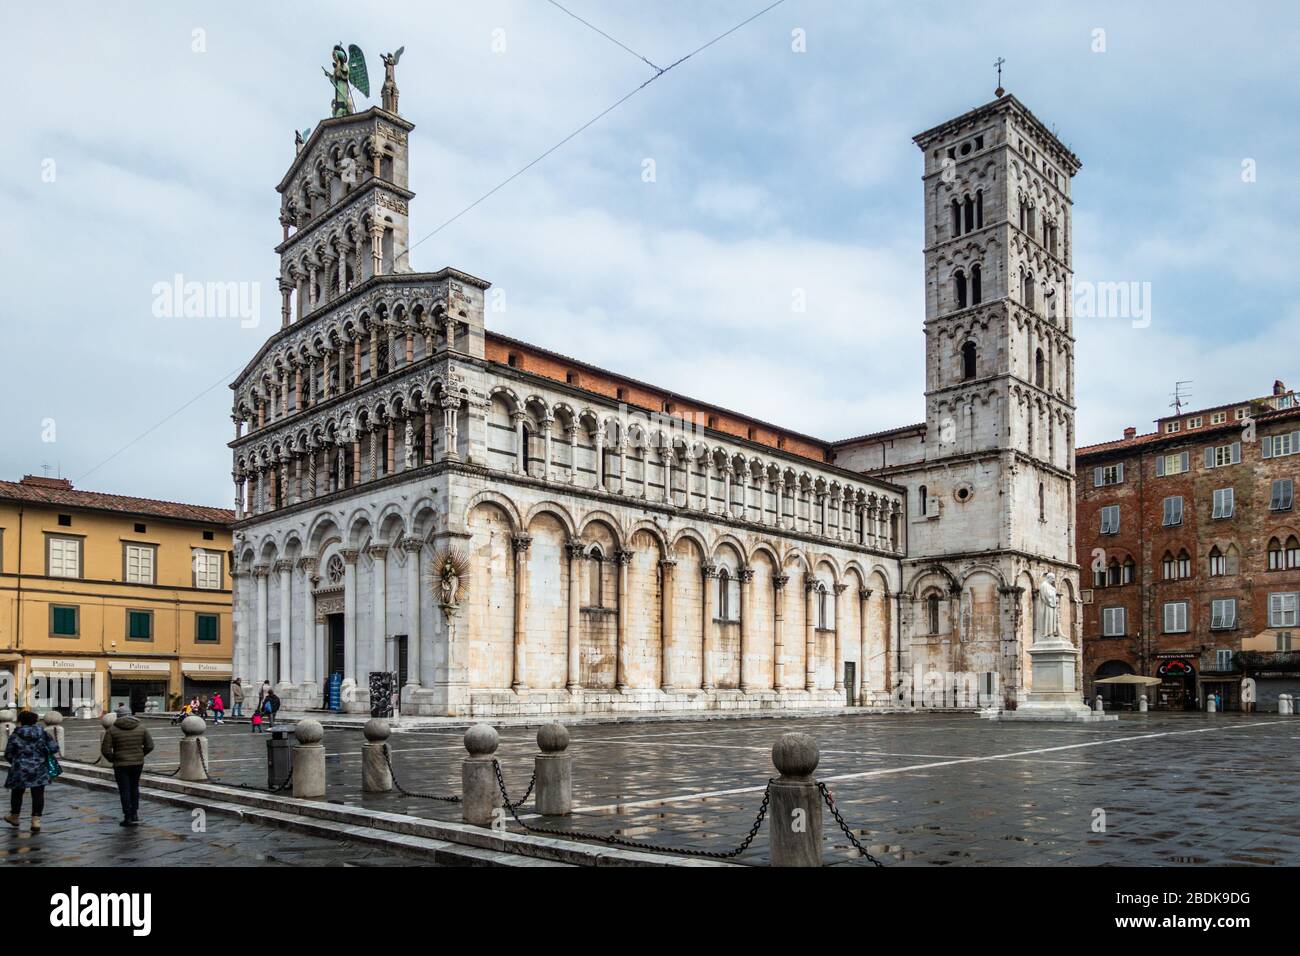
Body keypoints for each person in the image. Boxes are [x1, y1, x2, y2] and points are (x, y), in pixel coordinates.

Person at [100, 703, 155, 826]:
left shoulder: (112, 730)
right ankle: (135, 814)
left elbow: (105, 750)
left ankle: (127, 817)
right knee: (134, 787)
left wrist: (113, 759)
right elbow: (150, 746)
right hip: (137, 763)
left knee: (124, 790)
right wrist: (141, 754)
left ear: (118, 716)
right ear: (130, 714)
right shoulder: (142, 727)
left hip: (120, 764)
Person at [4, 710, 59, 832]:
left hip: (20, 769)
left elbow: (8, 754)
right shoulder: (43, 734)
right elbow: (54, 748)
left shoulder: (15, 735)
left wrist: (16, 762)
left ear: (21, 721)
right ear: (35, 721)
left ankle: (15, 817)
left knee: (17, 793)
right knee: (38, 794)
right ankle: (36, 821)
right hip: (39, 768)